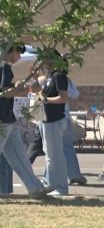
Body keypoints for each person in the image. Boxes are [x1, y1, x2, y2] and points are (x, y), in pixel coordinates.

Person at [0, 43, 48, 199]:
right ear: (10, 50)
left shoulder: (5, 68)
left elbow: (7, 90)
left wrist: (21, 86)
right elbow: (6, 92)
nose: (19, 57)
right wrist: (25, 88)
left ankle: (35, 188)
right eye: (18, 53)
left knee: (20, 157)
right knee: (19, 156)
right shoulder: (4, 68)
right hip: (2, 120)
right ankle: (35, 188)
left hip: (8, 119)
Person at [37, 54, 73, 198]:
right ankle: (50, 184)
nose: (43, 62)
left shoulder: (58, 76)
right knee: (50, 156)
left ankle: (61, 187)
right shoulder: (50, 76)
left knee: (55, 156)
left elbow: (63, 98)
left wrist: (45, 99)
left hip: (54, 120)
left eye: (45, 59)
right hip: (47, 119)